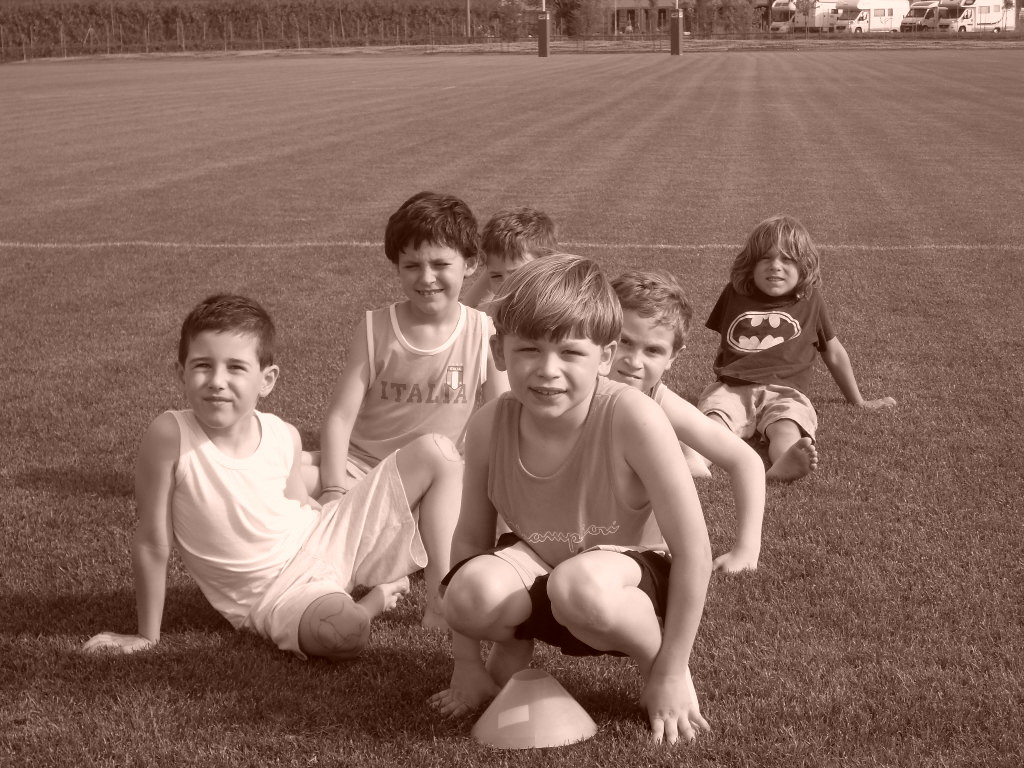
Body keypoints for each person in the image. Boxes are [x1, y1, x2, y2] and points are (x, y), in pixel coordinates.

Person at [429, 255, 713, 745]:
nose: (547, 370)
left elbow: (694, 552)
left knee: (579, 585)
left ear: (604, 357)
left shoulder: (634, 418)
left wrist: (673, 667)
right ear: (499, 351)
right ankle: (512, 647)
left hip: (625, 580)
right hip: (543, 565)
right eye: (529, 349)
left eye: (570, 353)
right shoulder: (488, 425)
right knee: (469, 594)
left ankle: (653, 660)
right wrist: (464, 662)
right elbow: (471, 538)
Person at [82, 295, 463, 659]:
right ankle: (374, 599)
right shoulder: (170, 435)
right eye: (202, 366)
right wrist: (147, 636)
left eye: (235, 367)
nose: (217, 380)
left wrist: (356, 514)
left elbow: (304, 507)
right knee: (344, 632)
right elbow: (152, 543)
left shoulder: (283, 433)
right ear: (180, 372)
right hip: (275, 594)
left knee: (438, 452)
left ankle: (440, 603)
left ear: (267, 380)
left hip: (324, 539)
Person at [312, 191, 507, 507]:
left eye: (441, 263)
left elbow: (504, 416)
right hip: (363, 467)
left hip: (439, 475)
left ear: (470, 264)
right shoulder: (375, 328)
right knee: (285, 470)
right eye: (412, 265)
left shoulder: (484, 331)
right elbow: (339, 418)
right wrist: (333, 488)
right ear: (397, 266)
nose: (427, 277)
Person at [698, 214, 896, 482]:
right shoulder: (734, 294)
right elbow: (727, 340)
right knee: (712, 422)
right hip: (732, 386)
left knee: (787, 425)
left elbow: (833, 352)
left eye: (787, 259)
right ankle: (693, 460)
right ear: (751, 264)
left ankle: (783, 462)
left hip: (785, 390)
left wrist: (858, 400)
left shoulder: (811, 301)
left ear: (804, 266)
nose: (775, 267)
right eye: (765, 258)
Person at [609, 270, 765, 573]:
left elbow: (745, 460)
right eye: (624, 341)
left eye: (653, 350)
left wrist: (747, 548)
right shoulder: (570, 390)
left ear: (673, 357)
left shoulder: (657, 400)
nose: (634, 361)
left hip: (637, 554)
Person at [460, 206, 558, 311]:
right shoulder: (495, 314)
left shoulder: (565, 314)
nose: (506, 288)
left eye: (517, 275)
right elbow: (465, 314)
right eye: (496, 276)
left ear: (548, 267)